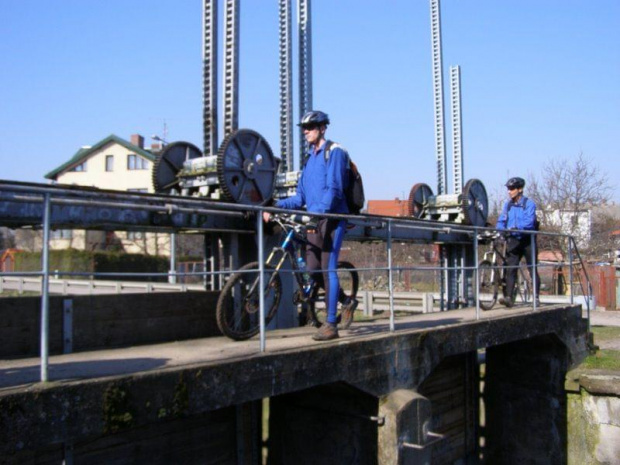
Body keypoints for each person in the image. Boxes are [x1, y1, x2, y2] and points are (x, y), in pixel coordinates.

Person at [263, 110, 356, 341]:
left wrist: (319, 213)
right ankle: (346, 301)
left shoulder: (334, 152)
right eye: (304, 128)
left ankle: (331, 324)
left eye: (311, 127)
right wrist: (276, 205)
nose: (306, 132)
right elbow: (300, 198)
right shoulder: (309, 159)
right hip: (314, 220)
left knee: (328, 268)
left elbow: (334, 189)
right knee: (312, 270)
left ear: (323, 128)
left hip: (332, 219)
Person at [496, 176, 541, 307]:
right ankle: (509, 297)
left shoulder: (529, 204)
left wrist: (518, 227)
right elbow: (502, 219)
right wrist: (500, 230)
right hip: (514, 239)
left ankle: (536, 297)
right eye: (508, 189)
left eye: (512, 189)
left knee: (532, 268)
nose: (509, 191)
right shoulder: (508, 205)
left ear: (519, 189)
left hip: (527, 239)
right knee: (511, 268)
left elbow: (529, 221)